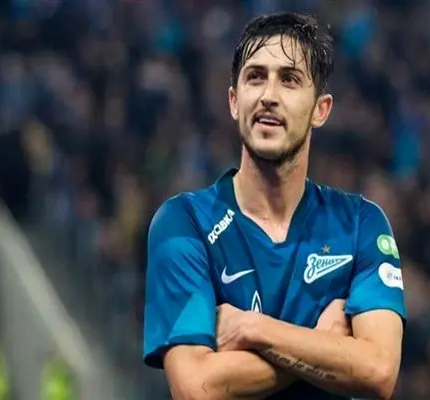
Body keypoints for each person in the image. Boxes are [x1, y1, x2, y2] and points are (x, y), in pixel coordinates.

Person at [143, 12, 406, 400]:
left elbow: (378, 371)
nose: (269, 95)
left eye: (289, 79)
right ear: (234, 101)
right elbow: (195, 388)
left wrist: (254, 329)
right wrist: (322, 342)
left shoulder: (361, 224)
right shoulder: (184, 224)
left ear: (320, 109)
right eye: (255, 77)